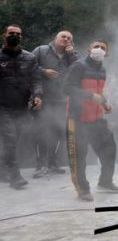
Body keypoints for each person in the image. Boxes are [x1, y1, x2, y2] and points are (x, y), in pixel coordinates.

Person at [64, 40, 118, 201]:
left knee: (109, 149)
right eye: (96, 46)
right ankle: (82, 189)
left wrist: (104, 103)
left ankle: (105, 182)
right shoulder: (78, 66)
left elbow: (98, 93)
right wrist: (90, 96)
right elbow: (66, 88)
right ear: (89, 49)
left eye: (103, 48)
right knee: (79, 156)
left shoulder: (102, 70)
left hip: (97, 118)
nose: (99, 49)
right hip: (77, 118)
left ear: (106, 53)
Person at [31, 30, 79, 177]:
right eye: (63, 36)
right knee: (42, 131)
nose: (66, 39)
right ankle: (41, 165)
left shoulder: (73, 56)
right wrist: (44, 71)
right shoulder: (41, 50)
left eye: (69, 38)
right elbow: (28, 67)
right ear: (55, 38)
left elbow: (79, 73)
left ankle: (53, 163)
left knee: (59, 132)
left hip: (62, 99)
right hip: (43, 98)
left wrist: (71, 56)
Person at [0, 25, 43, 189]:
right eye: (11, 33)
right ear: (4, 35)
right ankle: (15, 176)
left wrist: (37, 95)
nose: (14, 36)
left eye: (18, 34)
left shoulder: (30, 57)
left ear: (22, 37)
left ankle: (3, 169)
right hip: (2, 106)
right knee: (10, 139)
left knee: (14, 140)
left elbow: (36, 80)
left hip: (21, 106)